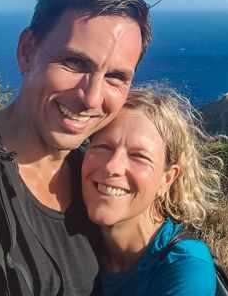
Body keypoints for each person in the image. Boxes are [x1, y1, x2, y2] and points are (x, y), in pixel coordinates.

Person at [0, 0, 151, 295]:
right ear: (27, 51)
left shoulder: (100, 179)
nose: (92, 98)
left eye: (116, 77)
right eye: (75, 63)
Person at [82, 86, 220, 295]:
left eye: (138, 156)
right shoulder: (73, 238)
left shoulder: (185, 267)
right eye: (103, 147)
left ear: (166, 179)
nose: (112, 166)